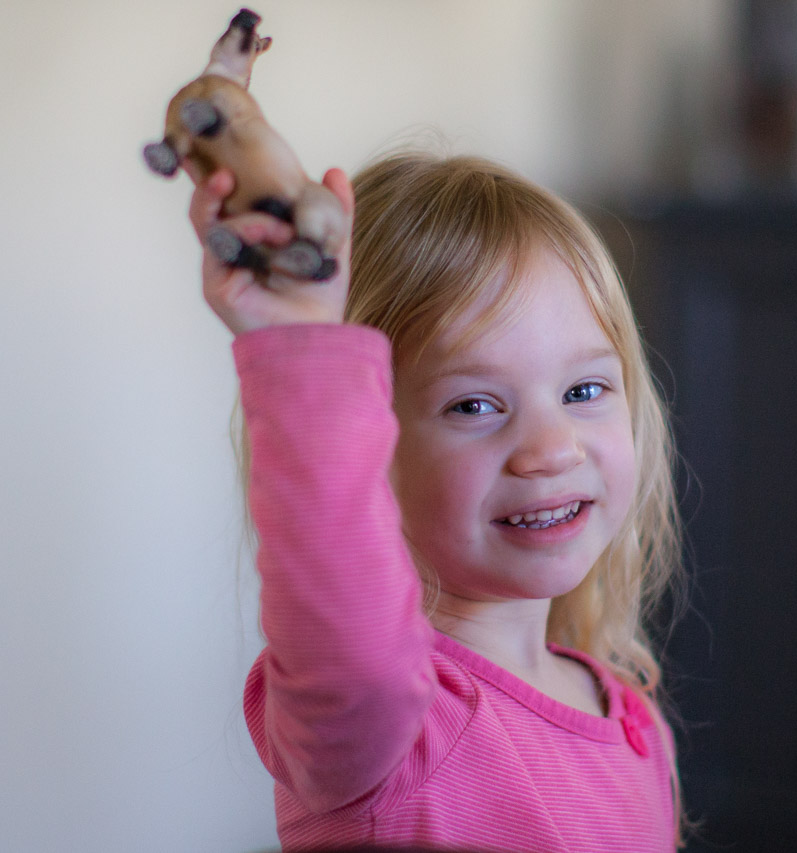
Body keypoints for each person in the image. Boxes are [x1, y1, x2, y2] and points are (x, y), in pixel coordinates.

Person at [186, 150, 684, 851]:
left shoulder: (632, 719)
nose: (552, 448)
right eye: (474, 405)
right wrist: (303, 349)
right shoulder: (394, 731)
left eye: (583, 391)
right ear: (372, 451)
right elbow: (345, 618)